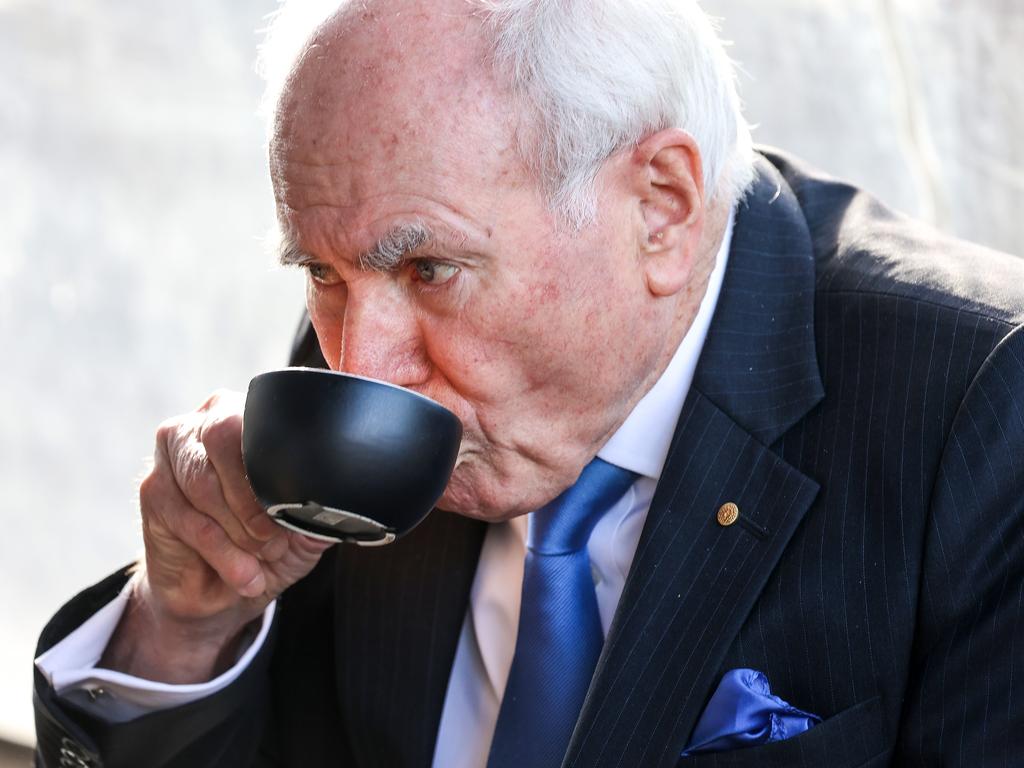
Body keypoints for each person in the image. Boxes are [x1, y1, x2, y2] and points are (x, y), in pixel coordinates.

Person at [32, 0, 1024, 766]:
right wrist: (187, 629)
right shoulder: (372, 344)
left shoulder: (983, 415)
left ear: (661, 208)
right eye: (320, 273)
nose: (363, 364)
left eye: (429, 271)